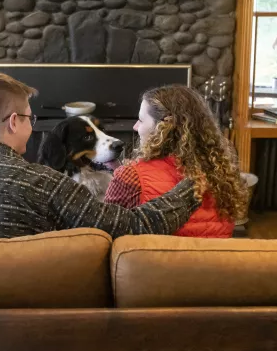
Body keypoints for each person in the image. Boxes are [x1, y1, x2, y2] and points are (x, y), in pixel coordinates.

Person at [0, 72, 200, 239]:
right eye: (30, 119)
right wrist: (191, 188)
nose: (32, 126)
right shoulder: (44, 183)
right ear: (12, 122)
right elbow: (131, 226)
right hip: (29, 311)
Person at [104, 85, 247, 238]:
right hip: (213, 259)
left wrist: (121, 176)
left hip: (156, 261)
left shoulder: (130, 176)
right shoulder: (221, 172)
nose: (135, 126)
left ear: (162, 127)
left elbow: (105, 230)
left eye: (140, 120)